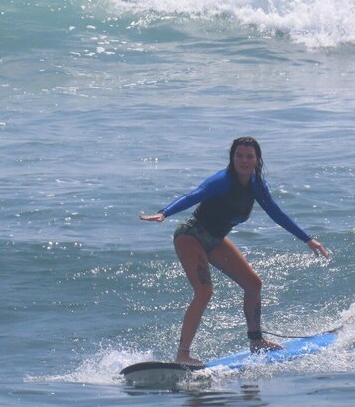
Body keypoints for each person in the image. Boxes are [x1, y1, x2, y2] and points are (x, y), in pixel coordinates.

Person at [140, 137, 329, 366]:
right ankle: (183, 354)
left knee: (253, 284)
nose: (244, 160)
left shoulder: (257, 185)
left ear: (257, 159)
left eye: (249, 156)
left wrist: (307, 239)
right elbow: (193, 196)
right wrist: (164, 213)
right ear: (232, 157)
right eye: (239, 155)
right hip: (191, 236)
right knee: (204, 291)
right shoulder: (222, 181)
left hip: (216, 239)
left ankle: (256, 341)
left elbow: (276, 213)